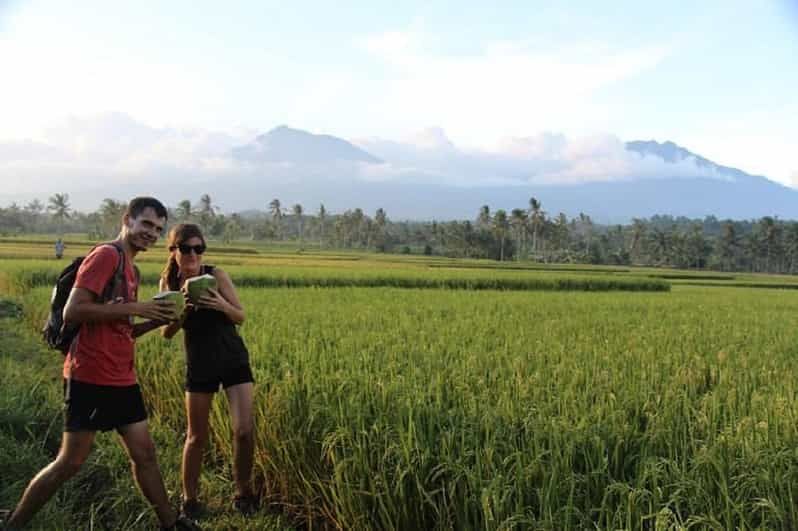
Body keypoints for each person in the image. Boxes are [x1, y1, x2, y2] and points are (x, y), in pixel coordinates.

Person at [2, 197, 199, 531]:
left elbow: (121, 330)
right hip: (90, 374)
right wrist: (137, 308)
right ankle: (14, 523)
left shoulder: (132, 269)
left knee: (145, 454)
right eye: (146, 224)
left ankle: (171, 523)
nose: (151, 233)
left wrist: (155, 318)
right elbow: (74, 310)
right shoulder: (106, 256)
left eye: (158, 229)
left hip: (122, 376)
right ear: (127, 220)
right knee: (70, 462)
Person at [159, 223, 257, 519]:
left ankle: (244, 492)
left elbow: (240, 316)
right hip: (199, 362)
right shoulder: (169, 284)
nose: (193, 254)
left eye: (198, 248)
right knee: (196, 436)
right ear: (174, 251)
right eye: (186, 249)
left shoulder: (216, 276)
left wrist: (220, 304)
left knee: (243, 431)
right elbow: (166, 332)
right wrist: (184, 310)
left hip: (232, 358)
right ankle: (189, 499)